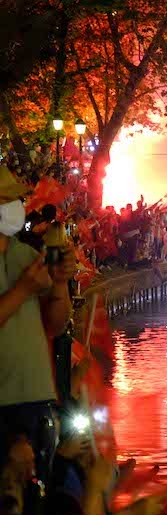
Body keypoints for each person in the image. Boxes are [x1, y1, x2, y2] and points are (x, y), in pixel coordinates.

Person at [0, 168, 76, 481]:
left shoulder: (25, 254)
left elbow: (54, 325)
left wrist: (59, 283)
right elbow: (24, 294)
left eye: (15, 199)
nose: (15, 205)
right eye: (6, 199)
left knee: (36, 499)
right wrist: (22, 290)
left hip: (34, 400)